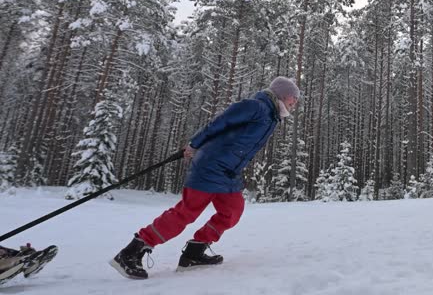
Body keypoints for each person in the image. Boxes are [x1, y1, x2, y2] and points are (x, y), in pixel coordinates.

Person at [110, 77, 300, 280]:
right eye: (293, 98)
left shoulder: (271, 117)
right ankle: (131, 252)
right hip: (210, 166)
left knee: (232, 211)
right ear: (281, 94)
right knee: (186, 212)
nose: (294, 103)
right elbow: (220, 122)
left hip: (228, 173)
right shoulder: (256, 106)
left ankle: (195, 252)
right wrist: (194, 144)